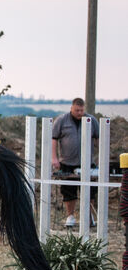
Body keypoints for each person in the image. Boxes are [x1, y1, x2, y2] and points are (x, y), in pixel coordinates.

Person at [51, 97, 99, 227]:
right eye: (77, 110)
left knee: (90, 191)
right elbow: (54, 139)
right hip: (67, 162)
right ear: (71, 108)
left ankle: (88, 217)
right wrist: (54, 158)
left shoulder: (92, 120)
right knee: (68, 191)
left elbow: (99, 139)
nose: (79, 113)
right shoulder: (61, 120)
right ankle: (70, 216)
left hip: (87, 162)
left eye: (81, 110)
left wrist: (100, 158)